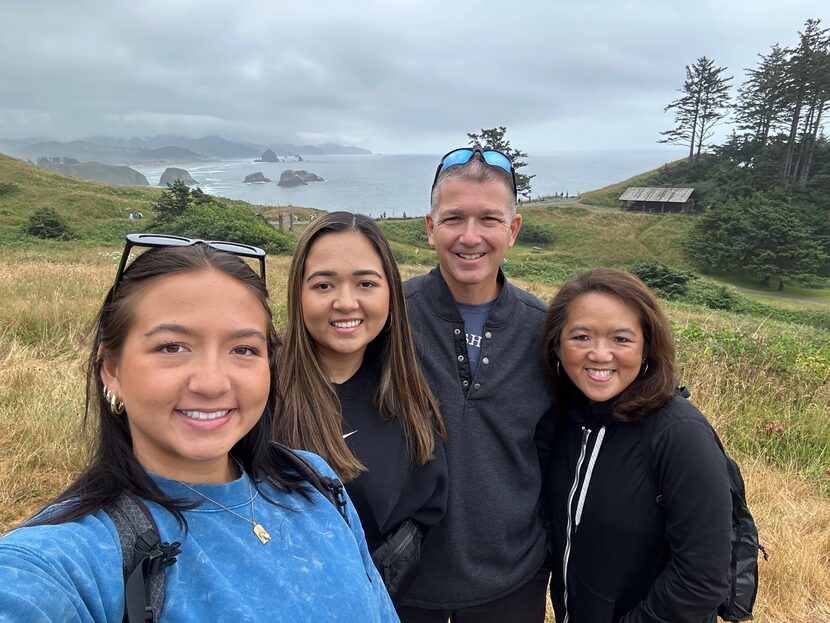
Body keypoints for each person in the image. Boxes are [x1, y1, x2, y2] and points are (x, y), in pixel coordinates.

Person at [0, 234, 398, 622]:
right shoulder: (70, 558)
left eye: (243, 349)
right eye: (172, 347)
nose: (212, 383)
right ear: (111, 370)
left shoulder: (313, 480)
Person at [398, 148, 553, 622]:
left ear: (513, 229)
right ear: (429, 228)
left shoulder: (547, 330)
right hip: (400, 573)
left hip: (513, 575)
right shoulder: (387, 318)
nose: (470, 237)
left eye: (489, 218)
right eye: (453, 219)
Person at [539, 268, 732, 622]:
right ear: (556, 344)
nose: (599, 354)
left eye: (621, 339)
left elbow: (702, 579)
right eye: (581, 336)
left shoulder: (680, 434)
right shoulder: (564, 423)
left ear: (647, 349)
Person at [275, 212, 448, 602]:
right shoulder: (259, 392)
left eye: (366, 283)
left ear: (390, 293)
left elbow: (423, 514)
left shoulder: (406, 390)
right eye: (323, 284)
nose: (346, 302)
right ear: (297, 294)